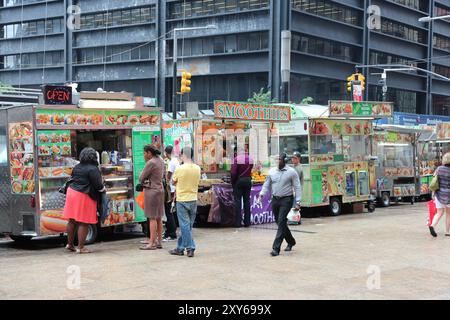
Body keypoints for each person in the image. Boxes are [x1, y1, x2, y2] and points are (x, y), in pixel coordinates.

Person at [63, 147, 105, 254]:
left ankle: (70, 244)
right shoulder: (93, 169)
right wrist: (103, 189)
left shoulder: (77, 166)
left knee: (72, 220)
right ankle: (81, 247)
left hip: (71, 193)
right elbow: (98, 185)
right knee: (84, 221)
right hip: (83, 195)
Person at [259, 153, 302, 257]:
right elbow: (267, 184)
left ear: (285, 160)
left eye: (280, 160)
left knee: (282, 220)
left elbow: (297, 186)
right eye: (277, 160)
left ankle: (276, 248)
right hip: (275, 199)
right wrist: (261, 194)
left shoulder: (291, 172)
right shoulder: (272, 171)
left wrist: (298, 201)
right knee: (280, 223)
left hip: (286, 200)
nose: (278, 162)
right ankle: (291, 241)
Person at [170, 147, 201, 258]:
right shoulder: (197, 168)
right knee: (187, 227)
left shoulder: (180, 168)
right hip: (193, 199)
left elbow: (173, 182)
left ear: (184, 155)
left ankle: (190, 248)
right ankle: (180, 248)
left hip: (182, 199)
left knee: (184, 226)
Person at [139, 145, 166, 250]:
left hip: (151, 191)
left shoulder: (151, 162)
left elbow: (141, 177)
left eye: (144, 153)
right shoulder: (160, 160)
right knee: (159, 217)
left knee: (152, 218)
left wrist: (145, 180)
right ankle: (159, 241)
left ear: (149, 153)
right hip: (160, 190)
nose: (144, 155)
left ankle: (151, 243)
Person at [230, 145, 254, 228]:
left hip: (239, 181)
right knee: (247, 201)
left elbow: (233, 173)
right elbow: (251, 169)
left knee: (238, 201)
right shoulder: (250, 159)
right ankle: (247, 222)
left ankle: (238, 223)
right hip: (248, 180)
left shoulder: (236, 159)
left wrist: (233, 182)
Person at [429, 152, 450, 237]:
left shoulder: (439, 169)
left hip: (439, 194)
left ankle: (432, 225)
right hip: (448, 195)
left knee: (439, 212)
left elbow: (434, 181)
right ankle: (447, 231)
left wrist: (433, 193)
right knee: (448, 214)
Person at [163, 145, 179, 241]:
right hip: (175, 188)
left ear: (166, 153)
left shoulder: (171, 162)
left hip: (171, 189)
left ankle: (171, 233)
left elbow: (168, 176)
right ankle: (171, 231)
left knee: (169, 212)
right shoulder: (176, 161)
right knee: (171, 211)